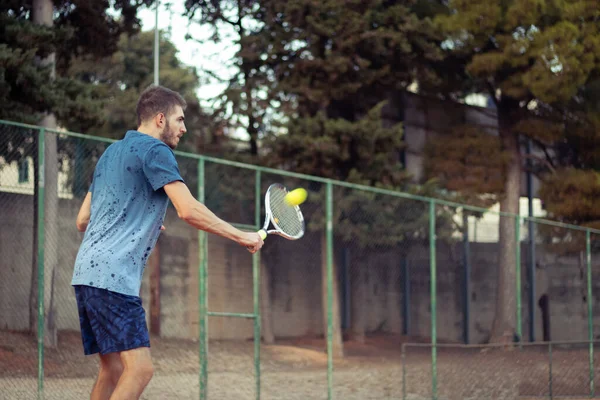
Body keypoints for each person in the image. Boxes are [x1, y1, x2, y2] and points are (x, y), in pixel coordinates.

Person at [71, 85, 264, 400]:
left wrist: (137, 218)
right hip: (113, 277)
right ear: (160, 119)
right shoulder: (156, 151)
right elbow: (187, 210)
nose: (184, 128)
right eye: (179, 120)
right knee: (140, 370)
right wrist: (242, 236)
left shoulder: (110, 153)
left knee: (113, 370)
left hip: (85, 275)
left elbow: (82, 220)